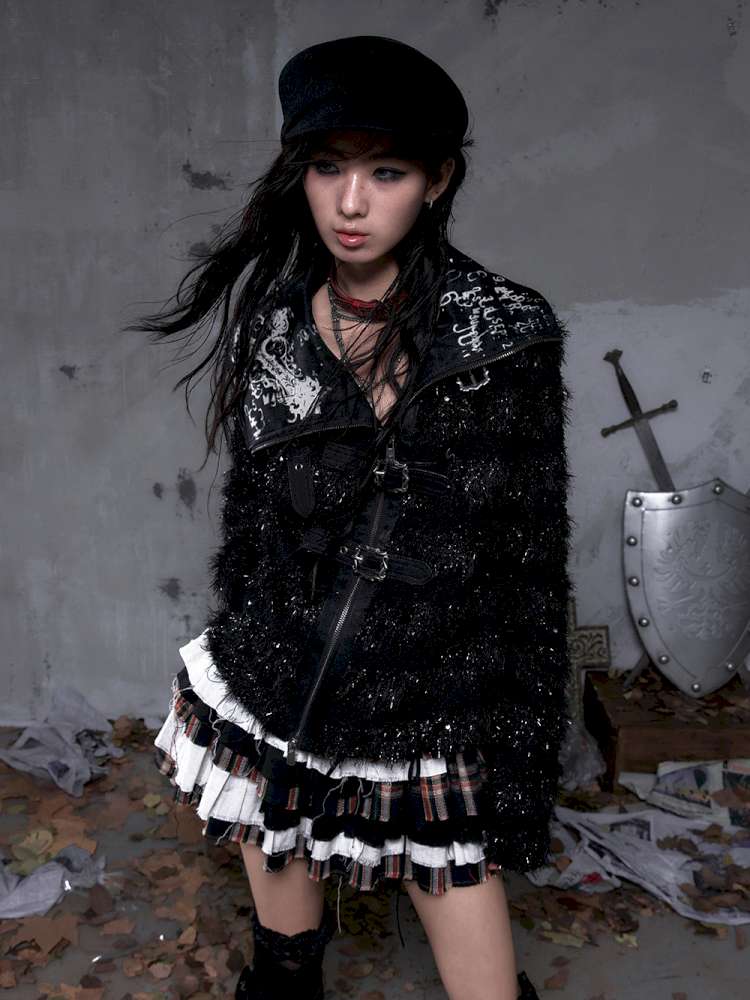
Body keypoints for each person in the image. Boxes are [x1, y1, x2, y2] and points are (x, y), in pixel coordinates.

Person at [139, 34, 573, 1000]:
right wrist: (255, 668)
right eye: (329, 167)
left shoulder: (504, 335)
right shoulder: (274, 332)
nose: (350, 203)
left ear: (438, 179)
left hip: (430, 705)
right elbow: (251, 539)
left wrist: (522, 764)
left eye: (387, 172)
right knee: (285, 970)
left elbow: (530, 566)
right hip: (284, 693)